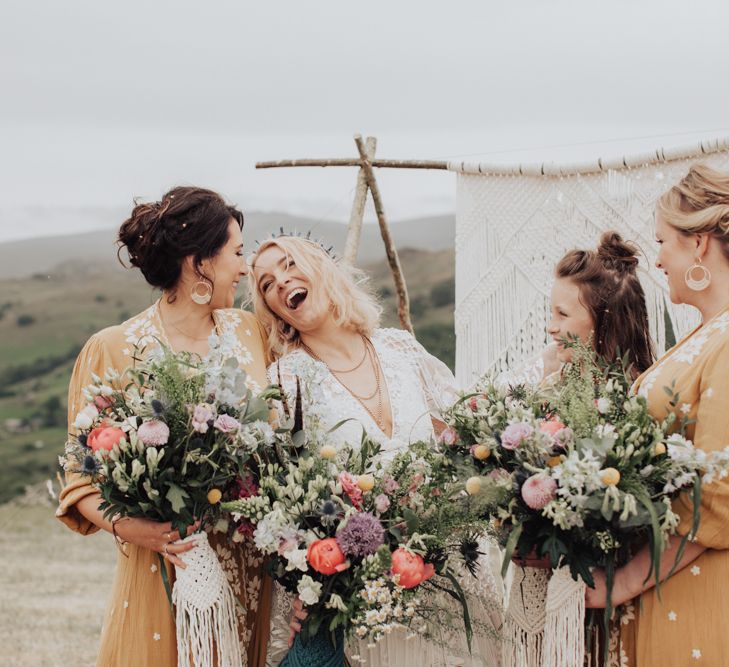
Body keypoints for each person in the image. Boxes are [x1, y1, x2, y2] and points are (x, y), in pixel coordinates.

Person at [249, 235, 502, 667]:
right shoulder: (286, 380)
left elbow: (466, 431)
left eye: (290, 264)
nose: (281, 283)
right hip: (373, 594)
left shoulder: (399, 347)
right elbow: (291, 502)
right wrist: (305, 588)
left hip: (452, 569)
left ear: (323, 270)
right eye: (267, 284)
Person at [56, 187, 272, 667]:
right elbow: (80, 484)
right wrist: (139, 530)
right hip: (164, 568)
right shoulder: (112, 348)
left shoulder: (251, 331)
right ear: (199, 263)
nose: (245, 266)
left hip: (253, 569)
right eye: (237, 252)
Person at [585, 164, 729, 666]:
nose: (659, 259)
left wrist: (624, 580)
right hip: (666, 582)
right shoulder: (706, 333)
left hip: (699, 590)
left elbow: (721, 494)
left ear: (700, 244)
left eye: (664, 241)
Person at [501, 231, 655, 667]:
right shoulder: (544, 380)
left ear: (603, 322)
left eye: (563, 314)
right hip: (537, 584)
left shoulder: (640, 396)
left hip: (603, 589)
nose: (551, 326)